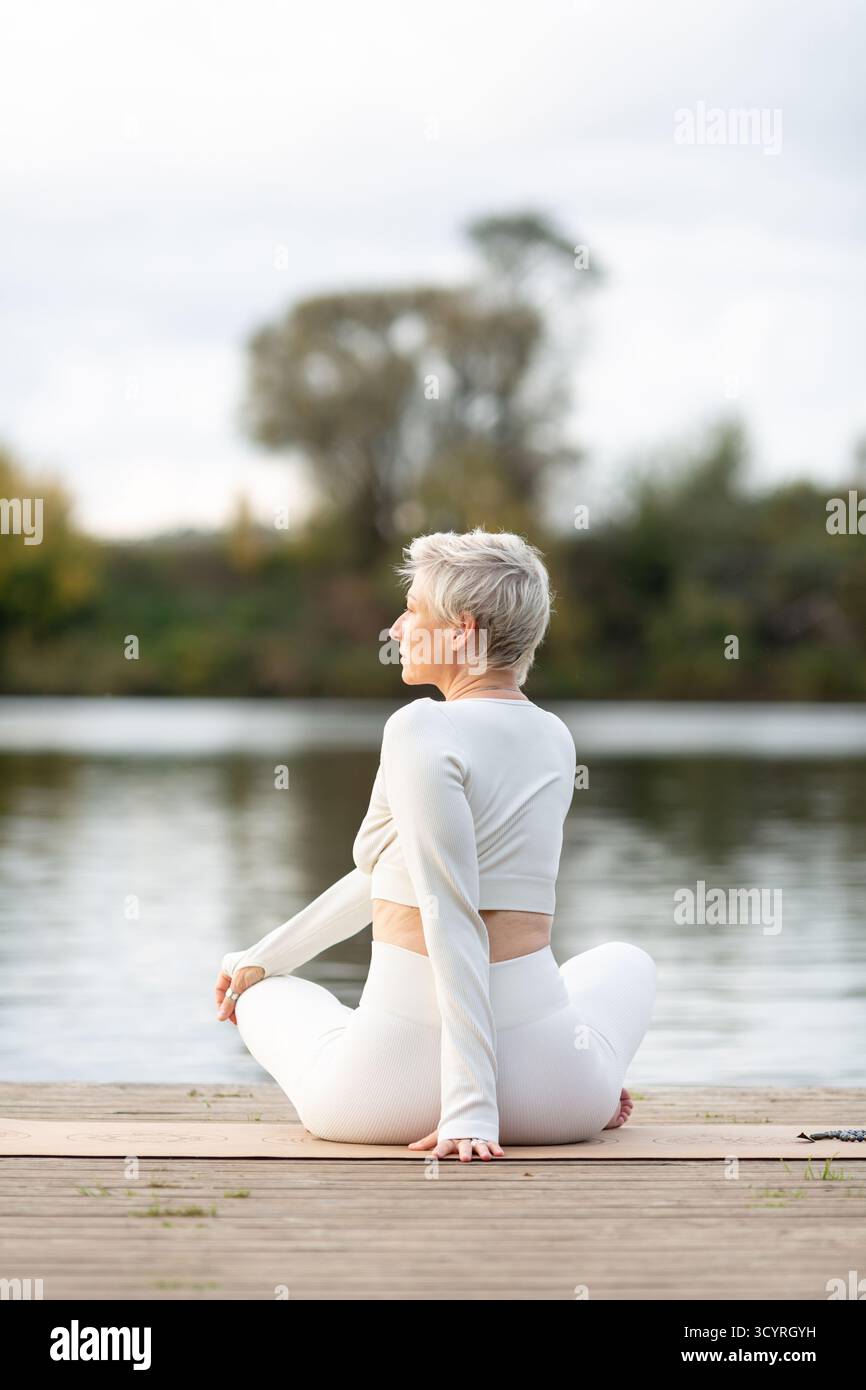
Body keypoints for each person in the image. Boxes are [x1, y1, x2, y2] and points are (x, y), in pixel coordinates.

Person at [215, 527, 657, 1162]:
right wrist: (266, 951)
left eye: (413, 609)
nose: (396, 628)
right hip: (559, 1099)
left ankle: (472, 1094)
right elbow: (400, 873)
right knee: (627, 962)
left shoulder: (420, 726)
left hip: (387, 1095)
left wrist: (472, 1109)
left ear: (461, 629)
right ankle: (593, 1074)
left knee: (261, 994)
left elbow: (452, 913)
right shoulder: (554, 734)